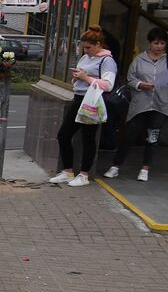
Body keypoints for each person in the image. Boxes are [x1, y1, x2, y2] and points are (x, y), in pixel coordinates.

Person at [50, 26, 117, 187]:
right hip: (78, 97)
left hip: (92, 100)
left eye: (89, 47)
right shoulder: (85, 58)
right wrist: (77, 78)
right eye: (83, 47)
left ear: (99, 44)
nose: (86, 50)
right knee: (63, 134)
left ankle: (84, 174)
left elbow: (108, 85)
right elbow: (82, 76)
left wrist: (86, 78)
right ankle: (67, 171)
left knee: (88, 138)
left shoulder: (107, 60)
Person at [105, 27, 168, 182]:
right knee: (129, 135)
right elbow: (130, 78)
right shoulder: (139, 59)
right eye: (156, 43)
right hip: (140, 104)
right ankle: (116, 166)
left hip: (161, 105)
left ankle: (145, 168)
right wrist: (140, 84)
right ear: (149, 43)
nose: (159, 46)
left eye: (162, 43)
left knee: (153, 137)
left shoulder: (166, 60)